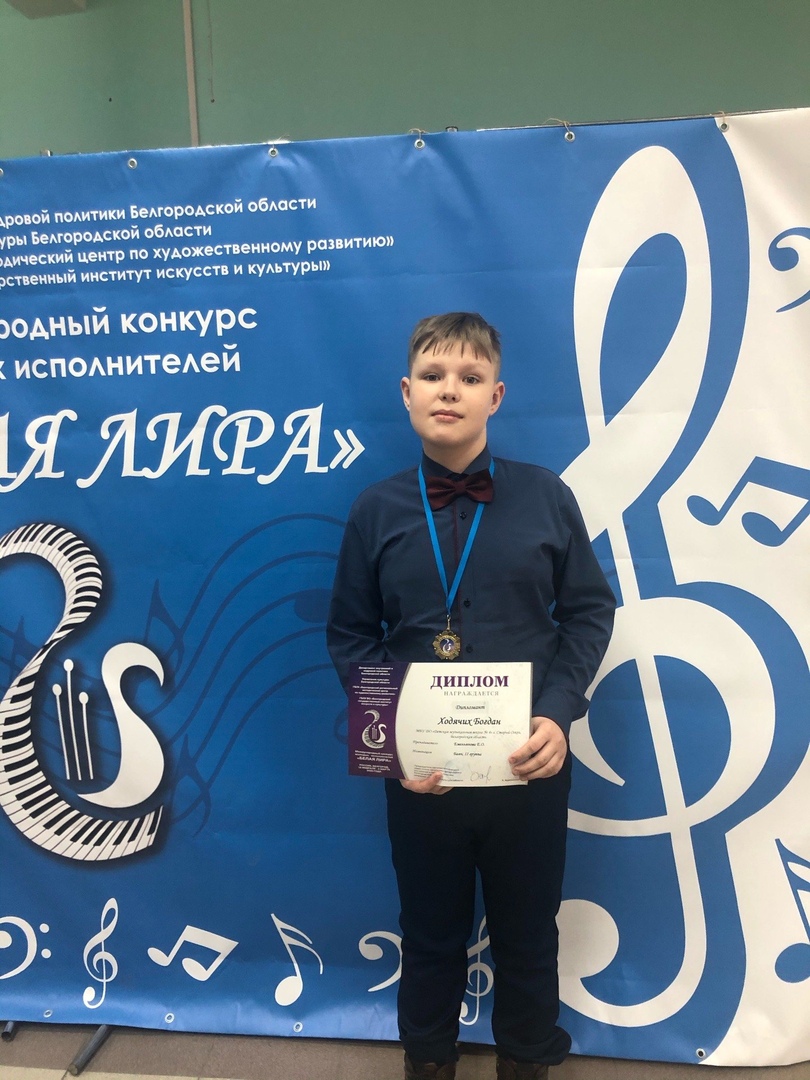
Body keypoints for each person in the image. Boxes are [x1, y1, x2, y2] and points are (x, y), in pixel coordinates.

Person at [327, 312, 615, 1080]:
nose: (448, 390)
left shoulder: (547, 496)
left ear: (496, 395)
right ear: (407, 392)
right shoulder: (376, 509)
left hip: (530, 766)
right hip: (422, 776)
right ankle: (429, 1063)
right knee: (428, 934)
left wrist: (559, 712)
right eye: (433, 376)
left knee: (530, 933)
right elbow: (351, 635)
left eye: (469, 377)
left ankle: (526, 1062)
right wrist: (387, 746)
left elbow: (589, 611)